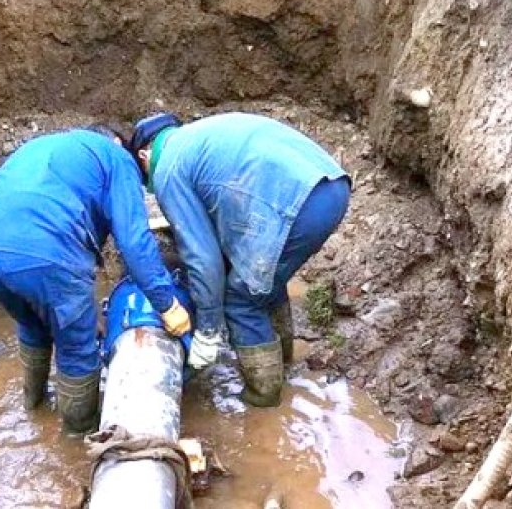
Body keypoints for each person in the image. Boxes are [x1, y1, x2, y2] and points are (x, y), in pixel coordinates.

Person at [0, 126, 191, 435]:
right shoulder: (117, 158)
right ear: (118, 144)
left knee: (33, 324)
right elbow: (135, 242)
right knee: (77, 350)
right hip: (47, 251)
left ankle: (34, 408)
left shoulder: (49, 147)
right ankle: (77, 437)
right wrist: (167, 304)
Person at [128, 112, 351, 406]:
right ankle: (283, 365)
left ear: (144, 155)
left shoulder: (167, 167)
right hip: (332, 184)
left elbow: (203, 259)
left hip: (298, 202)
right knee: (263, 280)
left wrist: (207, 331)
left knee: (240, 298)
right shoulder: (199, 136)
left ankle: (264, 399)